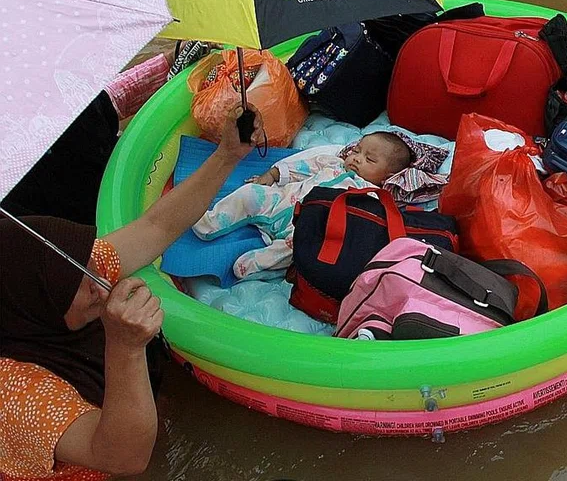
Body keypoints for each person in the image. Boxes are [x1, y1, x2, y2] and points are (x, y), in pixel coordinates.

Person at [0, 105, 263, 481]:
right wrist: (125, 347)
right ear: (35, 307)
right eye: (78, 281)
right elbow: (123, 458)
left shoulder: (74, 271)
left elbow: (157, 226)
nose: (99, 278)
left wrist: (227, 155)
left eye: (89, 261)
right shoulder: (16, 392)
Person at [0, 42, 214, 224]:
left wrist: (170, 62)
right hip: (93, 224)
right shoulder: (13, 207)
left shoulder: (58, 92)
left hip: (123, 165)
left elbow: (110, 99)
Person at [192, 131, 440, 280]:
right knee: (249, 194)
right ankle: (209, 222)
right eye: (358, 150)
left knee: (294, 249)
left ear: (387, 176)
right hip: (280, 201)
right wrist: (273, 175)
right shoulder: (333, 163)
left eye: (369, 159)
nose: (356, 158)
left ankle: (253, 265)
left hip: (303, 226)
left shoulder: (372, 196)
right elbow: (301, 167)